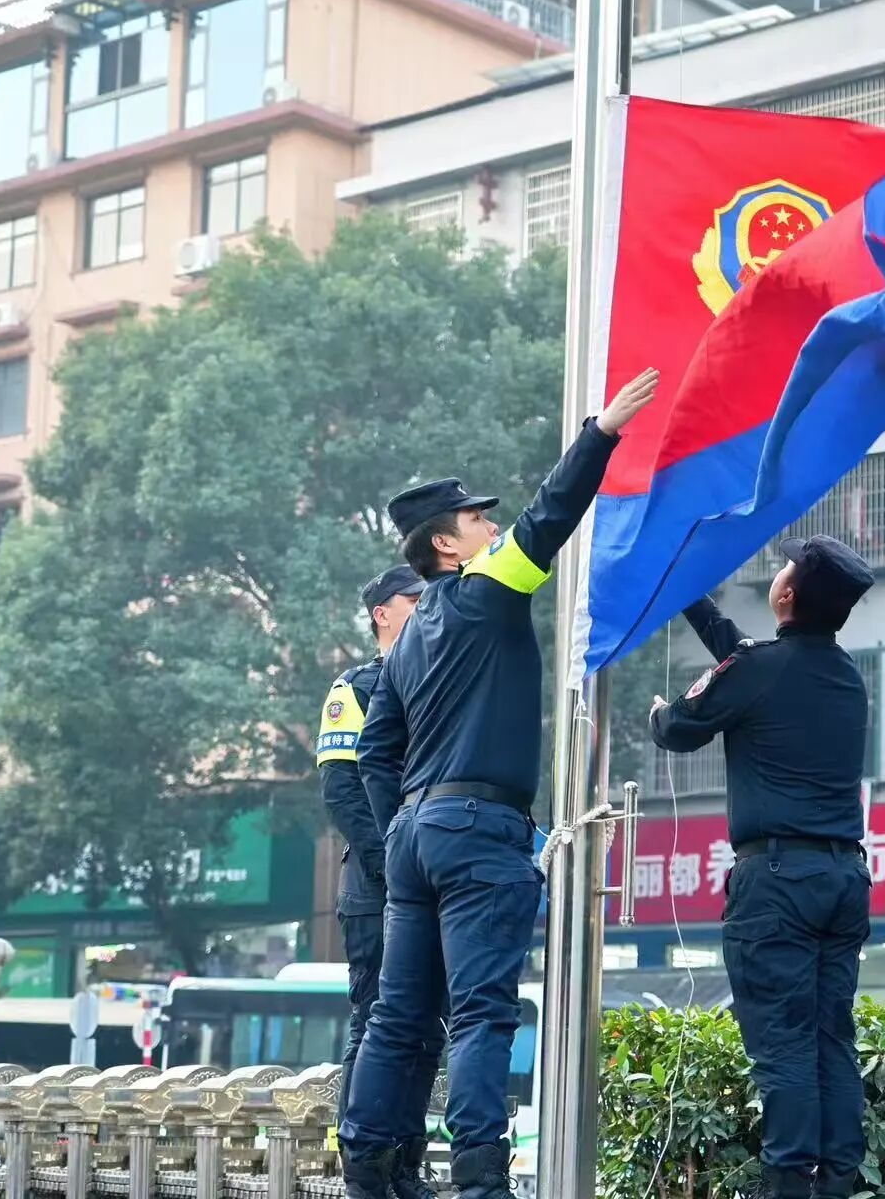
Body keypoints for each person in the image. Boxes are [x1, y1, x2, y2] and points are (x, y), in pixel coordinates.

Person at [338, 368, 660, 1199]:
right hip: (480, 835)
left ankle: (369, 1166)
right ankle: (482, 1182)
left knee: (397, 1019)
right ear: (447, 544)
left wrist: (394, 845)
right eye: (478, 518)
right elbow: (551, 517)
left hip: (414, 838)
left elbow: (377, 754)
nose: (492, 524)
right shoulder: (485, 591)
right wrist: (602, 432)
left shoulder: (404, 643)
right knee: (482, 1012)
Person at [648, 535, 877, 1199]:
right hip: (842, 881)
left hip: (776, 886)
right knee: (831, 1039)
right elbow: (742, 656)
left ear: (785, 594)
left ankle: (787, 1185)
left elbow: (682, 728)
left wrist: (661, 712)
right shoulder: (846, 677)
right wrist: (687, 593)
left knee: (782, 1046)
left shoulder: (762, 670)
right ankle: (834, 1183)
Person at [315, 563, 435, 1198]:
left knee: (428, 1028)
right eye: (414, 600)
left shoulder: (439, 680)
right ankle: (361, 1161)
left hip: (430, 881)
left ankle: (409, 1161)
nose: (426, 607)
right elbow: (342, 790)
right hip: (377, 887)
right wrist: (395, 868)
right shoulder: (356, 686)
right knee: (377, 1019)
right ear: (382, 613)